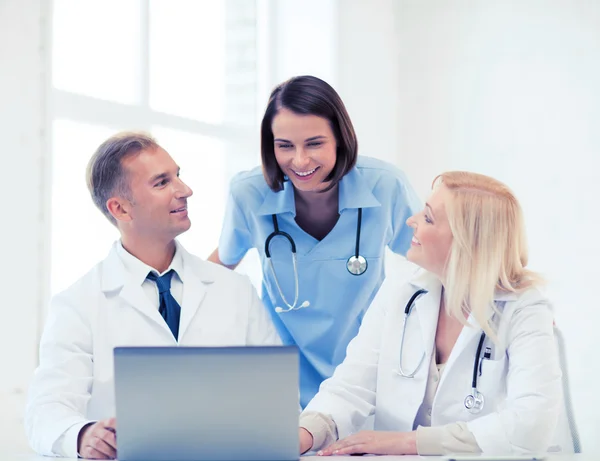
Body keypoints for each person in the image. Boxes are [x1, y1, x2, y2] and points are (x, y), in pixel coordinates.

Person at [25, 132, 281, 459]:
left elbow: (278, 398)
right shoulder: (77, 304)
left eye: (178, 176)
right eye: (162, 183)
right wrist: (83, 435)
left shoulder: (235, 290)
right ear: (120, 209)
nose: (185, 191)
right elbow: (46, 408)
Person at [298, 171, 566, 456]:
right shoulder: (402, 289)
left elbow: (531, 423)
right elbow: (350, 387)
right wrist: (306, 433)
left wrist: (408, 443)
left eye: (427, 218)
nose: (411, 221)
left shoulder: (525, 308)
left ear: (469, 241)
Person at [208, 75, 421, 407]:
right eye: (285, 146)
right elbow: (219, 269)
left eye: (314, 143)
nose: (300, 161)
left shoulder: (385, 185)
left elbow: (436, 263)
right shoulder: (249, 192)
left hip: (366, 376)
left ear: (340, 138)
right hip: (278, 380)